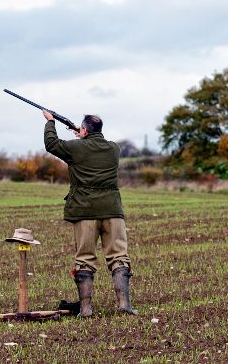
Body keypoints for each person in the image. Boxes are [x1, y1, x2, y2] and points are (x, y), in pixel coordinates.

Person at [42, 110, 137, 317]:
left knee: (84, 259)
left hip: (85, 212)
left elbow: (52, 144)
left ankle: (85, 309)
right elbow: (93, 145)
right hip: (112, 210)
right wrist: (83, 133)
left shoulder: (76, 148)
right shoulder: (114, 148)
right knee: (119, 257)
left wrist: (50, 122)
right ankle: (124, 306)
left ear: (84, 130)